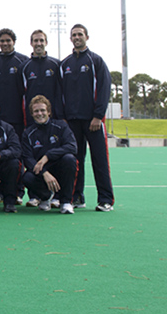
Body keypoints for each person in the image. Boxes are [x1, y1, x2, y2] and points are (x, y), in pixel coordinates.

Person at [60, 24, 114, 212]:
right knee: (75, 160)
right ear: (70, 38)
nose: (77, 37)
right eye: (74, 35)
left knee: (99, 160)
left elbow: (104, 89)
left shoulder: (95, 61)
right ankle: (77, 197)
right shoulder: (64, 63)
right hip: (72, 121)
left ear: (87, 37)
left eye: (80, 34)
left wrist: (98, 116)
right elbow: (60, 93)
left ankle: (105, 199)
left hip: (93, 121)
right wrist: (64, 118)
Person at [21, 95, 78, 214]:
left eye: (42, 110)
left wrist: (48, 155)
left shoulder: (61, 126)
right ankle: (45, 197)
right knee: (27, 177)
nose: (39, 113)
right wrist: (44, 173)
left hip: (59, 168)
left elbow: (72, 147)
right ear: (32, 113)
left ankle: (66, 202)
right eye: (36, 111)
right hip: (42, 172)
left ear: (49, 112)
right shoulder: (28, 133)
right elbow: (27, 158)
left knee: (69, 159)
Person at [0, 28, 28, 137]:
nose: (5, 43)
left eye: (8, 41)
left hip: (17, 114)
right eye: (2, 41)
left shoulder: (23, 61)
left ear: (14, 42)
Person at [21, 29, 63, 121]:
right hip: (33, 117)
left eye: (41, 40)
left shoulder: (56, 64)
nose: (39, 43)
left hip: (53, 116)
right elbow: (22, 94)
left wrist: (60, 115)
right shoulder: (24, 67)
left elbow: (60, 92)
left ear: (46, 42)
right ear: (31, 43)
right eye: (36, 41)